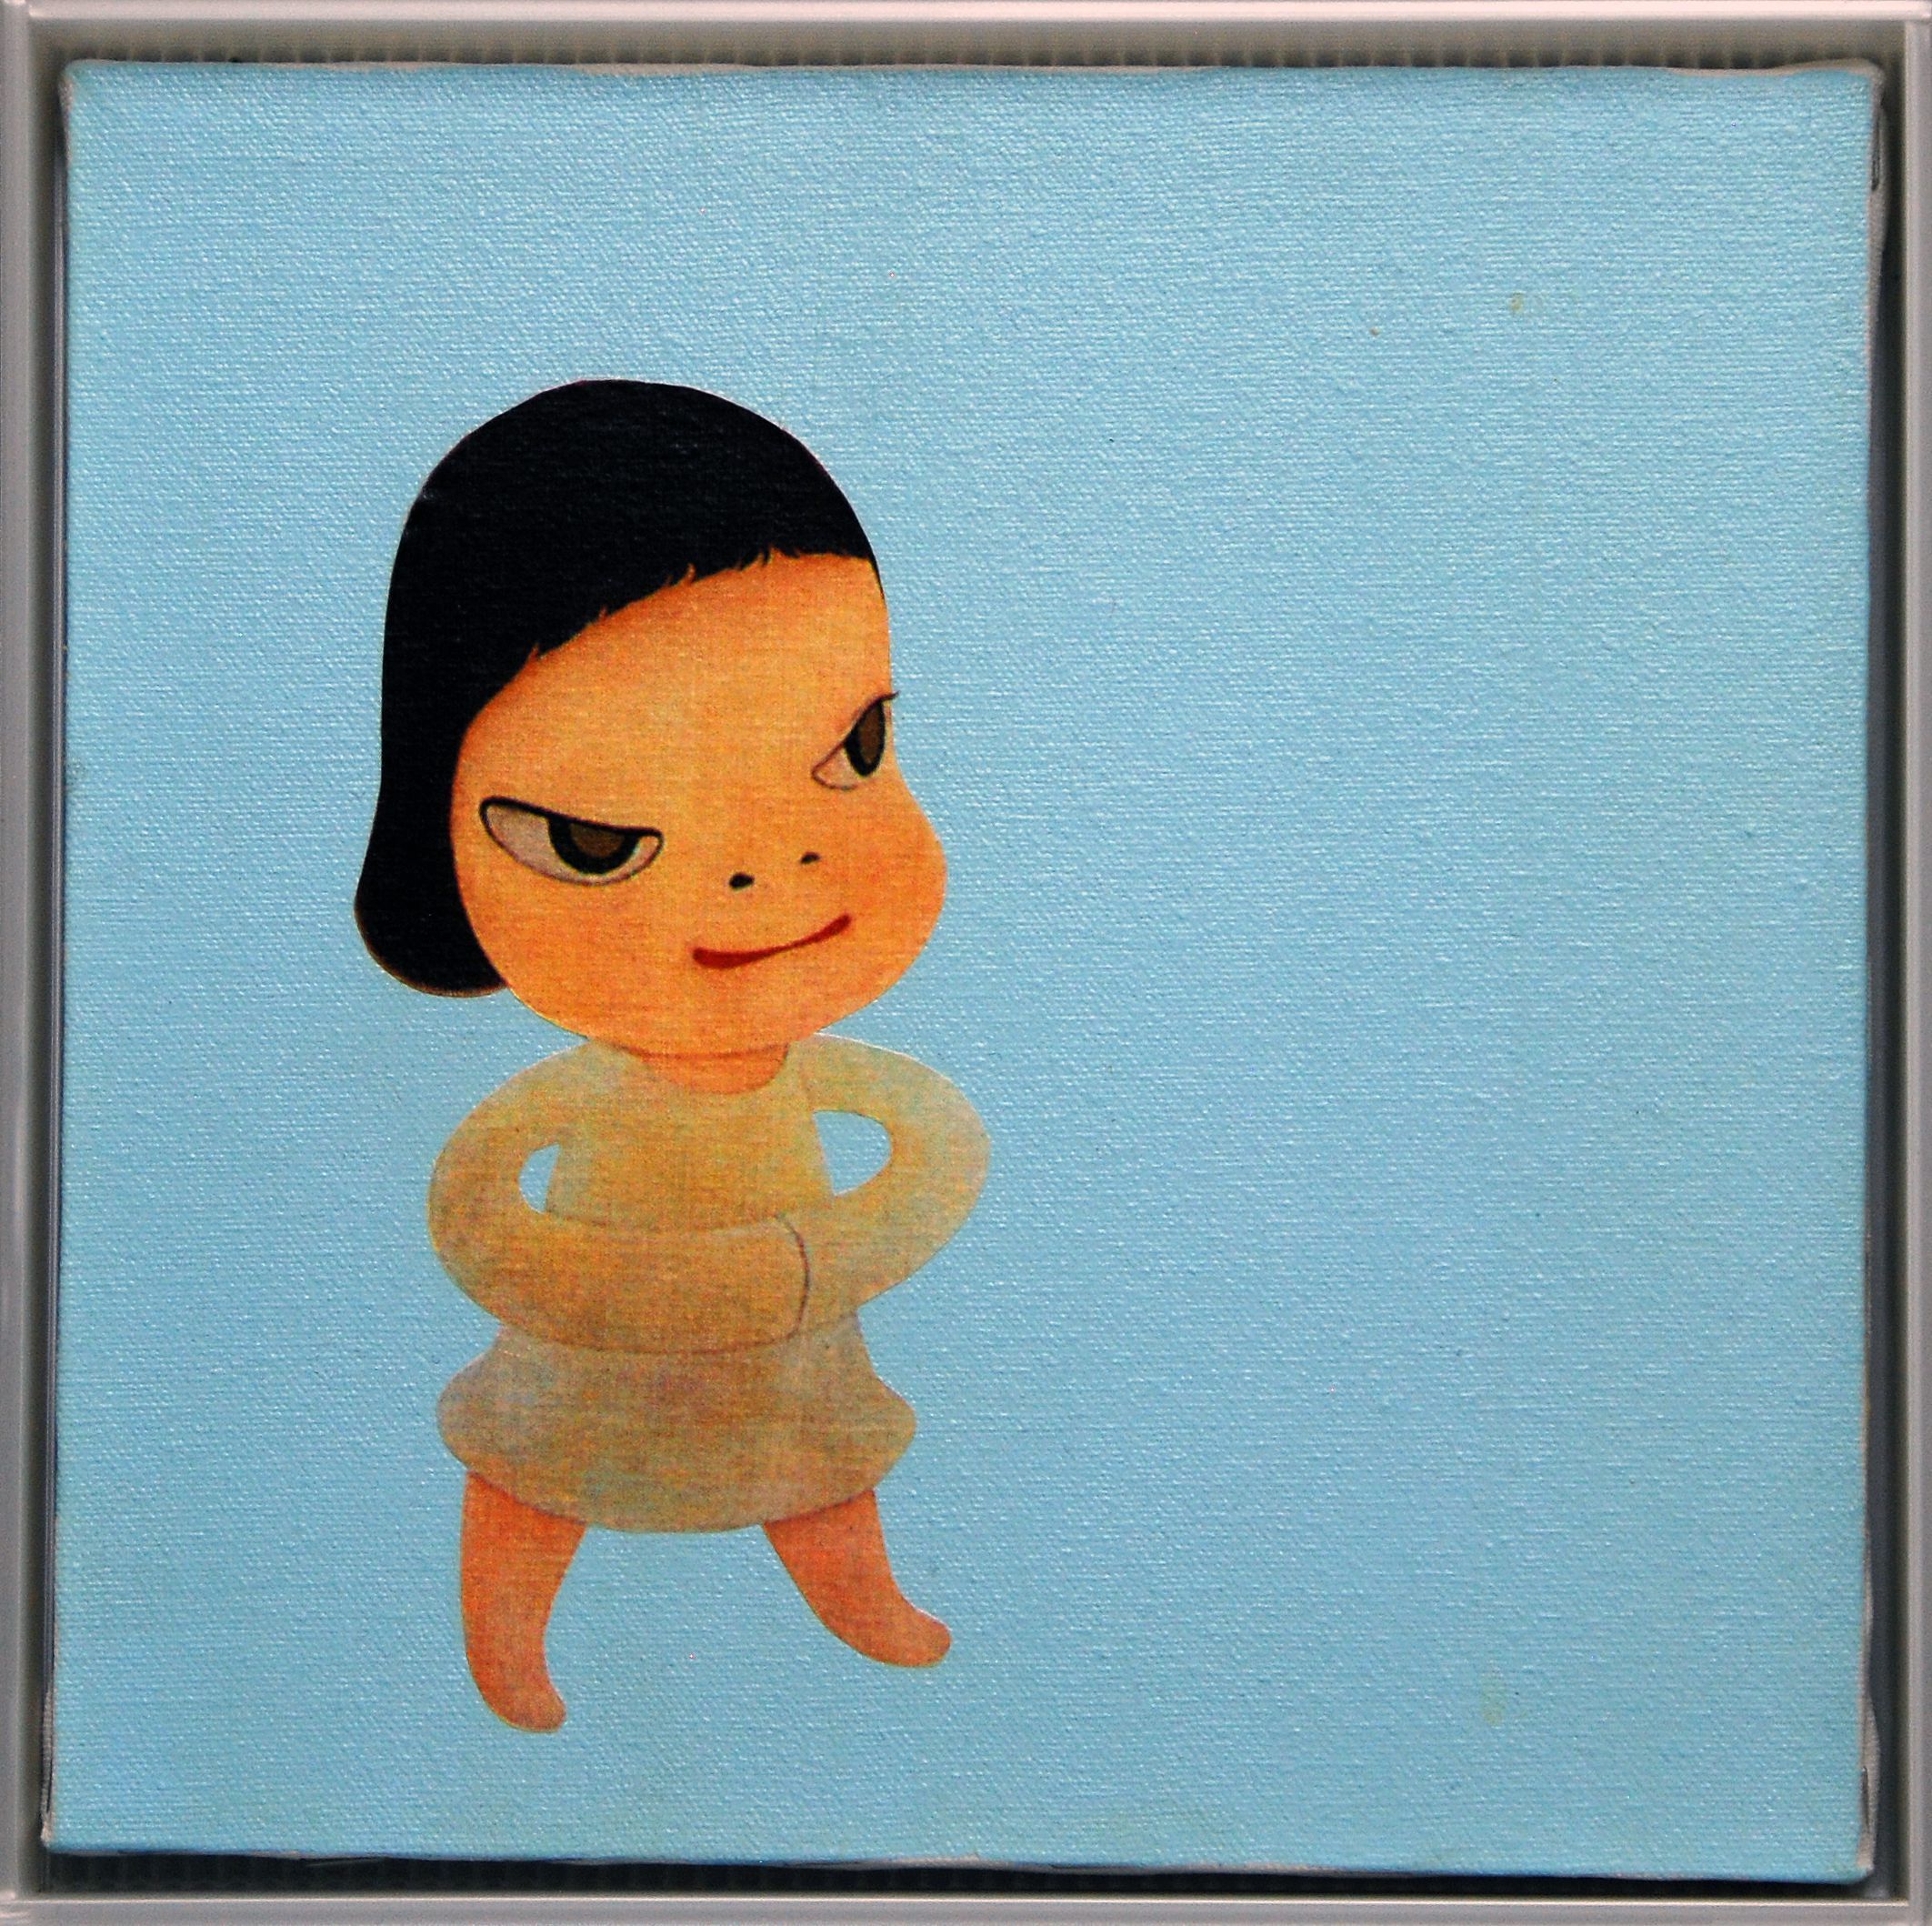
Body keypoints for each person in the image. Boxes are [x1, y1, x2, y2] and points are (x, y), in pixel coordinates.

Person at [355, 381, 987, 1731]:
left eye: (856, 748)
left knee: (822, 1458)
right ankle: (505, 1645)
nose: (770, 869)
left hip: (795, 1348)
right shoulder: (573, 1094)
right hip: (586, 1346)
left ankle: (859, 1595)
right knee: (531, 1470)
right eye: (600, 842)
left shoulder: (824, 1078)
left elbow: (933, 1136)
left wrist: (850, 1241)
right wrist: (588, 1283)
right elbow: (475, 1204)